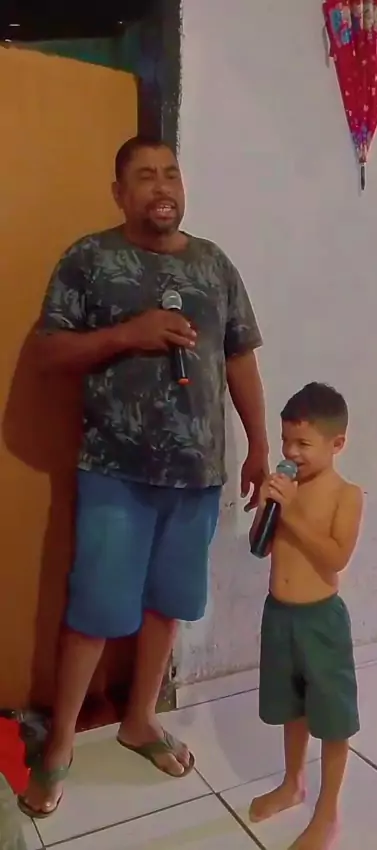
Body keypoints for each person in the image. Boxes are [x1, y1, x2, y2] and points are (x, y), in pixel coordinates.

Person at [19, 136, 269, 818]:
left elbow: (239, 357)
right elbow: (47, 352)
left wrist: (258, 446)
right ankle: (60, 746)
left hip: (196, 476)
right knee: (95, 611)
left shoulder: (213, 264)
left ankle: (138, 721)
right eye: (146, 176)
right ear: (120, 192)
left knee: (168, 605)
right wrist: (128, 335)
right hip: (115, 474)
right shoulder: (89, 259)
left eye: (171, 174)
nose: (162, 186)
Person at [248, 383, 363, 850]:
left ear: (337, 444)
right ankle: (292, 782)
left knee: (332, 718)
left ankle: (328, 812)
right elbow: (259, 548)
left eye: (303, 443)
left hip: (321, 622)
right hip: (279, 616)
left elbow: (335, 557)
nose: (290, 453)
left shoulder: (345, 495)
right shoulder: (285, 492)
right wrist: (268, 507)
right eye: (285, 441)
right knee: (290, 707)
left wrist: (292, 511)